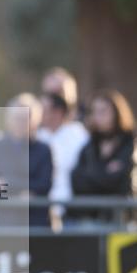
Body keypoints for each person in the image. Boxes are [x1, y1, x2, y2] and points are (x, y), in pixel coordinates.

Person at [70, 90, 137, 224]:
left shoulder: (129, 142)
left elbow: (119, 180)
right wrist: (104, 174)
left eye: (103, 111)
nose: (98, 117)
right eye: (95, 112)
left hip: (120, 218)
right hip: (89, 217)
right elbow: (76, 179)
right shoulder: (90, 145)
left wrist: (93, 177)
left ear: (117, 113)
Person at [0, 93, 53, 227]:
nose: (20, 123)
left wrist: (7, 182)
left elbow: (44, 185)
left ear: (35, 120)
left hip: (35, 223)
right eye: (17, 118)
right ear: (8, 119)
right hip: (3, 222)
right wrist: (24, 189)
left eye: (25, 118)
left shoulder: (43, 150)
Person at [37, 89, 89, 225]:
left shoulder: (79, 135)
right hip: (42, 212)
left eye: (43, 109)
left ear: (58, 112)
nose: (38, 113)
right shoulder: (37, 136)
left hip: (72, 212)